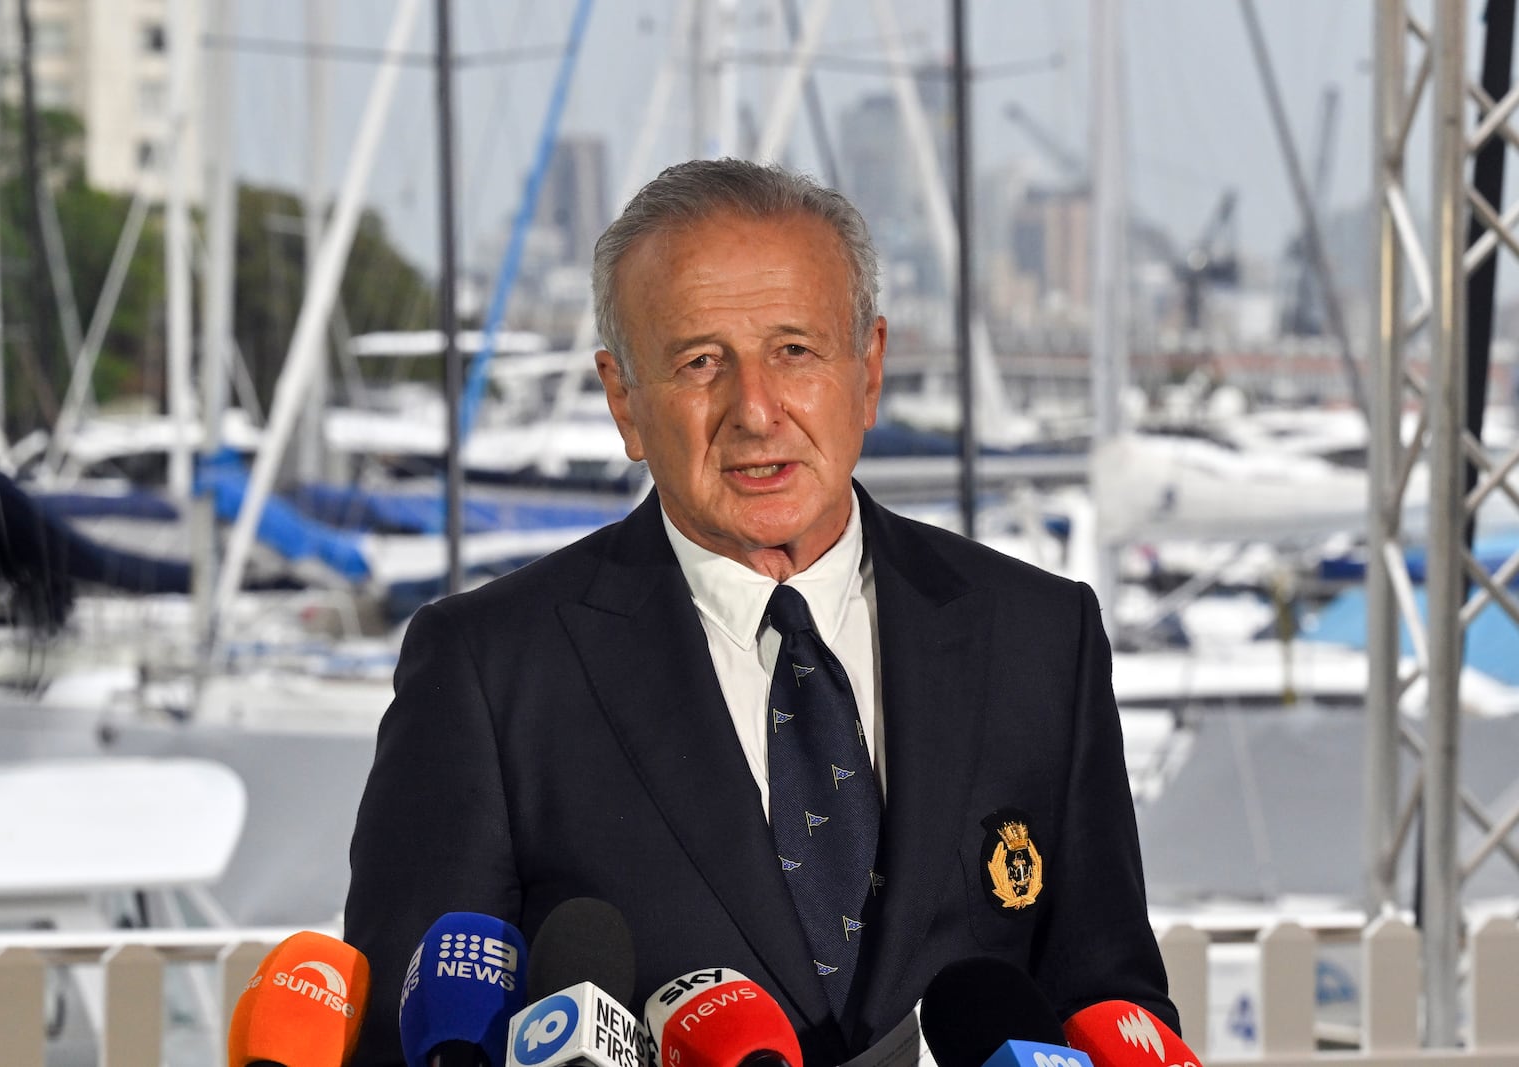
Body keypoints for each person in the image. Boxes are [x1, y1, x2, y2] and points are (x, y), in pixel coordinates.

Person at [343, 159, 1176, 1067]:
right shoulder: (488, 671)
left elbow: (1114, 1008)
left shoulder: (1040, 638)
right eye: (700, 361)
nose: (755, 409)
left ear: (869, 369)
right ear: (624, 400)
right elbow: (406, 1038)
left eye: (795, 350)